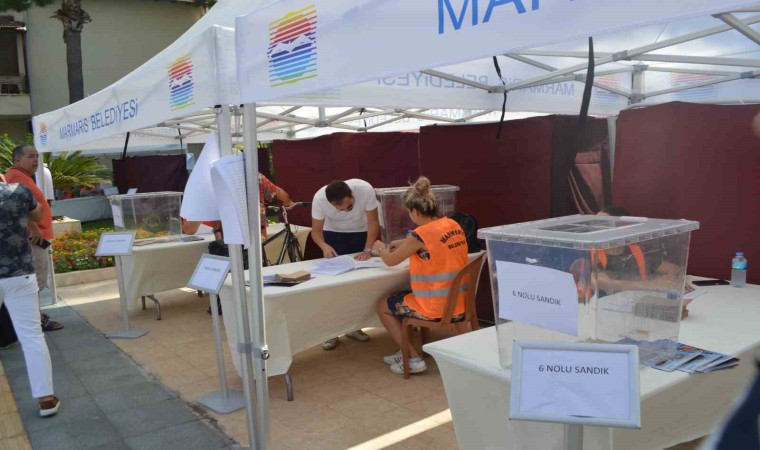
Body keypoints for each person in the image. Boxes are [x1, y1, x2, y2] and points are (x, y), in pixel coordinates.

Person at [372, 177, 469, 374]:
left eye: (409, 212)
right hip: (459, 302)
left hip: (436, 306)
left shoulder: (421, 234)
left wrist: (380, 248)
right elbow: (432, 241)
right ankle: (408, 352)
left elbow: (391, 261)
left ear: (415, 211)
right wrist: (405, 243)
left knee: (383, 305)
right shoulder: (452, 224)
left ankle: (413, 358)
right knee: (399, 297)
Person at [0, 173, 60, 417]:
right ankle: (46, 399)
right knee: (32, 336)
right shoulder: (17, 192)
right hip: (19, 273)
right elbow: (37, 214)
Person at [311, 179, 380, 350]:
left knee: (357, 285)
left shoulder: (365, 189)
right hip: (333, 235)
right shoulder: (319, 199)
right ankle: (330, 332)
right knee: (333, 287)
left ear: (351, 194)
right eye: (339, 210)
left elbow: (373, 222)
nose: (345, 212)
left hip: (361, 233)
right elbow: (316, 231)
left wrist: (368, 249)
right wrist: (324, 246)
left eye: (349, 207)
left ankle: (354, 327)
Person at [5, 145, 63, 332]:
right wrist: (34, 228)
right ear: (17, 160)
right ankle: (35, 320)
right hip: (34, 238)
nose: (36, 160)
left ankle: (33, 318)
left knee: (36, 281)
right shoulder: (17, 178)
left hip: (34, 236)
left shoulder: (21, 176)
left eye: (37, 156)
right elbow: (20, 207)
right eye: (30, 156)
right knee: (37, 281)